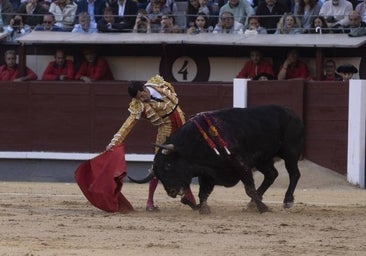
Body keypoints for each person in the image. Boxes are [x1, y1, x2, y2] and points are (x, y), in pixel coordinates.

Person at [106, 75, 198, 212]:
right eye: (138, 99)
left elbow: (173, 97)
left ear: (144, 88)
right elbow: (128, 124)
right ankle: (150, 202)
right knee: (158, 166)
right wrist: (114, 142)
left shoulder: (158, 84)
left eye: (142, 96)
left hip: (182, 124)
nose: (142, 100)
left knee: (184, 161)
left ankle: (189, 197)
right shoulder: (138, 104)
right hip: (166, 130)